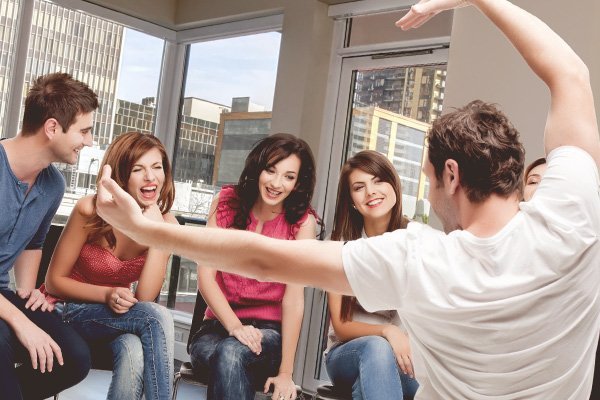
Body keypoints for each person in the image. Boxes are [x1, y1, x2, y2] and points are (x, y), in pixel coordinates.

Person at [95, 1, 600, 398]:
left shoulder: (419, 258)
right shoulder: (574, 213)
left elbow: (263, 259)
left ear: (451, 173)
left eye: (425, 175)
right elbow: (572, 75)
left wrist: (148, 230)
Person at [42, 131, 178, 400]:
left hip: (114, 319)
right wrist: (106, 294)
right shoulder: (89, 210)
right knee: (158, 316)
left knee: (133, 348)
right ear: (122, 176)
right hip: (67, 312)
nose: (151, 177)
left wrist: (156, 233)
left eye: (157, 167)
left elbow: (145, 298)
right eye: (138, 169)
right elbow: (53, 281)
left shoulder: (166, 225)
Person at [188, 133, 319, 400]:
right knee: (228, 353)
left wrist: (286, 372)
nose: (276, 183)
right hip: (217, 327)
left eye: (288, 176)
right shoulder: (225, 203)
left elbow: (294, 301)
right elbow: (206, 277)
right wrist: (235, 327)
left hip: (269, 333)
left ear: (298, 183)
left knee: (231, 354)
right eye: (270, 170)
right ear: (258, 168)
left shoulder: (302, 224)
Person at [0, 72, 96, 399]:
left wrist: (27, 293)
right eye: (84, 131)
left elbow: (33, 242)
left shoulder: (53, 185)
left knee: (74, 357)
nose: (89, 142)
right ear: (52, 127)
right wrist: (22, 324)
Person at [325, 150, 419, 400]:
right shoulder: (339, 245)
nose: (371, 192)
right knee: (378, 351)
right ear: (352, 200)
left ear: (394, 185)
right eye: (359, 187)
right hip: (348, 353)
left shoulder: (416, 240)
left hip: (405, 356)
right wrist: (388, 331)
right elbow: (342, 326)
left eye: (378, 181)